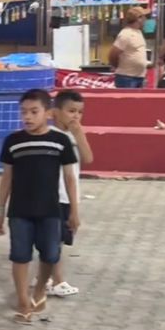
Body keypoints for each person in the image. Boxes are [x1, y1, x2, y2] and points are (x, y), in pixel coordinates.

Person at [0, 89, 80, 324]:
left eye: (34, 112)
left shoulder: (60, 141)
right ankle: (24, 303)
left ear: (48, 113)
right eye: (24, 112)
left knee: (50, 255)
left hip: (50, 211)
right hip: (19, 211)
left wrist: (74, 210)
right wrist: (0, 210)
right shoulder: (13, 141)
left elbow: (69, 178)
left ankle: (41, 289)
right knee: (20, 256)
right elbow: (7, 179)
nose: (28, 117)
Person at [47, 90, 93, 298]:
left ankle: (47, 277)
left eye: (80, 112)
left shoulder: (74, 136)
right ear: (56, 112)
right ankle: (57, 280)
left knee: (58, 240)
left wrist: (79, 134)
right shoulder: (49, 135)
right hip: (53, 195)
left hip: (68, 196)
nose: (75, 116)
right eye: (71, 111)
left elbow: (88, 158)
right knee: (53, 240)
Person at [109, 6, 150, 89]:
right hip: (126, 77)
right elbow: (113, 54)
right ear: (138, 18)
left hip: (139, 77)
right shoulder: (126, 34)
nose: (146, 19)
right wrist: (118, 66)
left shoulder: (138, 32)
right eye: (144, 16)